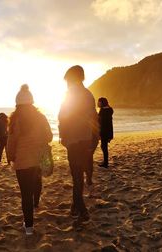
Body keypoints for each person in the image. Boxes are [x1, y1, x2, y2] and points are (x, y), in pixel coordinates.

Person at [7, 84, 53, 235]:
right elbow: (49, 137)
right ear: (32, 102)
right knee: (37, 182)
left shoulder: (15, 120)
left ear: (18, 104)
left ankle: (28, 227)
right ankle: (36, 202)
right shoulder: (41, 117)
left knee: (25, 194)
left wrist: (11, 157)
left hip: (22, 162)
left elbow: (11, 142)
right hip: (38, 160)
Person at [58, 65, 99, 224]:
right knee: (79, 174)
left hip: (74, 140)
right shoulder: (89, 94)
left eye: (68, 80)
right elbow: (94, 118)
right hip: (86, 139)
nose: (67, 83)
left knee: (76, 175)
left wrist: (62, 135)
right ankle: (75, 207)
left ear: (72, 78)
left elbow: (62, 116)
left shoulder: (70, 95)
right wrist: (95, 138)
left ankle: (82, 210)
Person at [98, 97, 114, 168]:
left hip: (104, 131)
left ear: (102, 102)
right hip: (108, 130)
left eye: (99, 102)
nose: (98, 103)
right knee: (104, 147)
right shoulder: (109, 110)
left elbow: (101, 121)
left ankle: (105, 163)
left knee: (104, 147)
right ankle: (105, 162)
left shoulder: (103, 111)